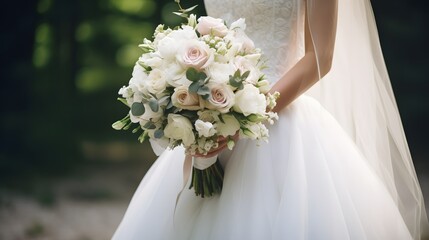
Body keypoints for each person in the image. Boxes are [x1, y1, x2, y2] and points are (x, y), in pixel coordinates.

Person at [113, 0, 429, 239]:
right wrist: (196, 106)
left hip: (278, 120)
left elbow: (320, 57)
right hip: (209, 115)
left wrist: (246, 115)